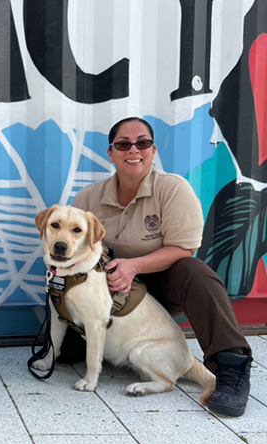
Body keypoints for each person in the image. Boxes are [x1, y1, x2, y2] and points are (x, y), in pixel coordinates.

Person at [69, 117, 253, 417]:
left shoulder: (173, 188)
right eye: (123, 144)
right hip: (111, 294)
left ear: (153, 150)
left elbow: (184, 248)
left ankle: (231, 367)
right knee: (68, 355)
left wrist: (134, 266)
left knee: (197, 272)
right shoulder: (88, 197)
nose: (134, 150)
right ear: (111, 153)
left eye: (142, 143)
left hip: (162, 285)